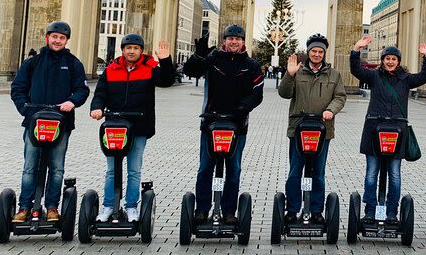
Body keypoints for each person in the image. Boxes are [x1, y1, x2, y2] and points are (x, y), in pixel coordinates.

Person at [183, 24, 264, 224]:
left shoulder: (251, 64)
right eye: (230, 38)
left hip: (237, 124)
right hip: (211, 122)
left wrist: (244, 107)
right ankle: (202, 208)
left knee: (233, 169)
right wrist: (199, 55)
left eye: (237, 39)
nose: (234, 42)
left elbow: (258, 92)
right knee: (205, 168)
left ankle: (229, 211)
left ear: (243, 42)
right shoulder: (214, 59)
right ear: (224, 41)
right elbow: (191, 71)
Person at [10, 21, 90, 222]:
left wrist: (72, 102)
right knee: (30, 167)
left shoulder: (73, 63)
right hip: (33, 123)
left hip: (60, 124)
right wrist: (25, 109)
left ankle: (52, 207)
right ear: (47, 38)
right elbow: (17, 89)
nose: (57, 40)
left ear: (66, 40)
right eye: (54, 37)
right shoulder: (32, 63)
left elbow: (82, 89)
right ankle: (25, 207)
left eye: (62, 38)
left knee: (56, 167)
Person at [89, 34, 175, 222]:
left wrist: (165, 60)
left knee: (134, 170)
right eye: (128, 48)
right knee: (112, 170)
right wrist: (96, 108)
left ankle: (131, 207)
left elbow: (167, 81)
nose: (131, 51)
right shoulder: (111, 68)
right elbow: (100, 92)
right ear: (123, 50)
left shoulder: (150, 67)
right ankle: (108, 206)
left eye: (136, 48)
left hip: (139, 126)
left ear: (141, 51)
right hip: (114, 127)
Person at [351, 36, 426, 225]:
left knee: (394, 173)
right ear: (382, 60)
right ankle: (370, 210)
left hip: (397, 129)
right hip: (374, 128)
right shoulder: (374, 76)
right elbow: (356, 70)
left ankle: (392, 212)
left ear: (398, 62)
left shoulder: (405, 79)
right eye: (387, 58)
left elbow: (423, 77)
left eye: (393, 59)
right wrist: (356, 49)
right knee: (372, 172)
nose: (390, 61)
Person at [278, 34, 347, 224]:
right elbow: (284, 93)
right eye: (313, 51)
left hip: (322, 130)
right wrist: (289, 75)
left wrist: (330, 111)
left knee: (318, 172)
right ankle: (292, 209)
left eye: (320, 52)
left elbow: (340, 97)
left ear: (324, 53)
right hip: (298, 129)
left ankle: (316, 210)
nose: (317, 55)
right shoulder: (297, 71)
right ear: (308, 52)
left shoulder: (333, 74)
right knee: (295, 172)